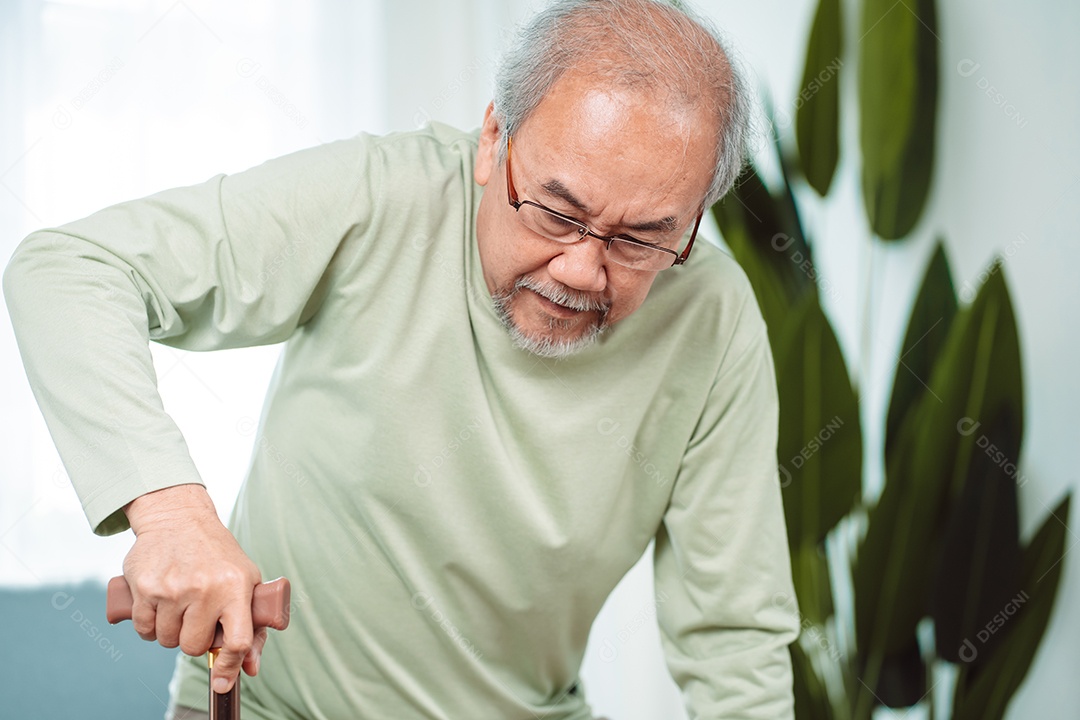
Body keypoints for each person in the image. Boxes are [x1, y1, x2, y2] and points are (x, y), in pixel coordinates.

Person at [3, 0, 798, 717]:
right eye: (558, 213)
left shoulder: (714, 317)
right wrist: (171, 515)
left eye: (641, 239)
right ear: (494, 140)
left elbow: (734, 639)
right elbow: (71, 269)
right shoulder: (378, 197)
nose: (583, 270)